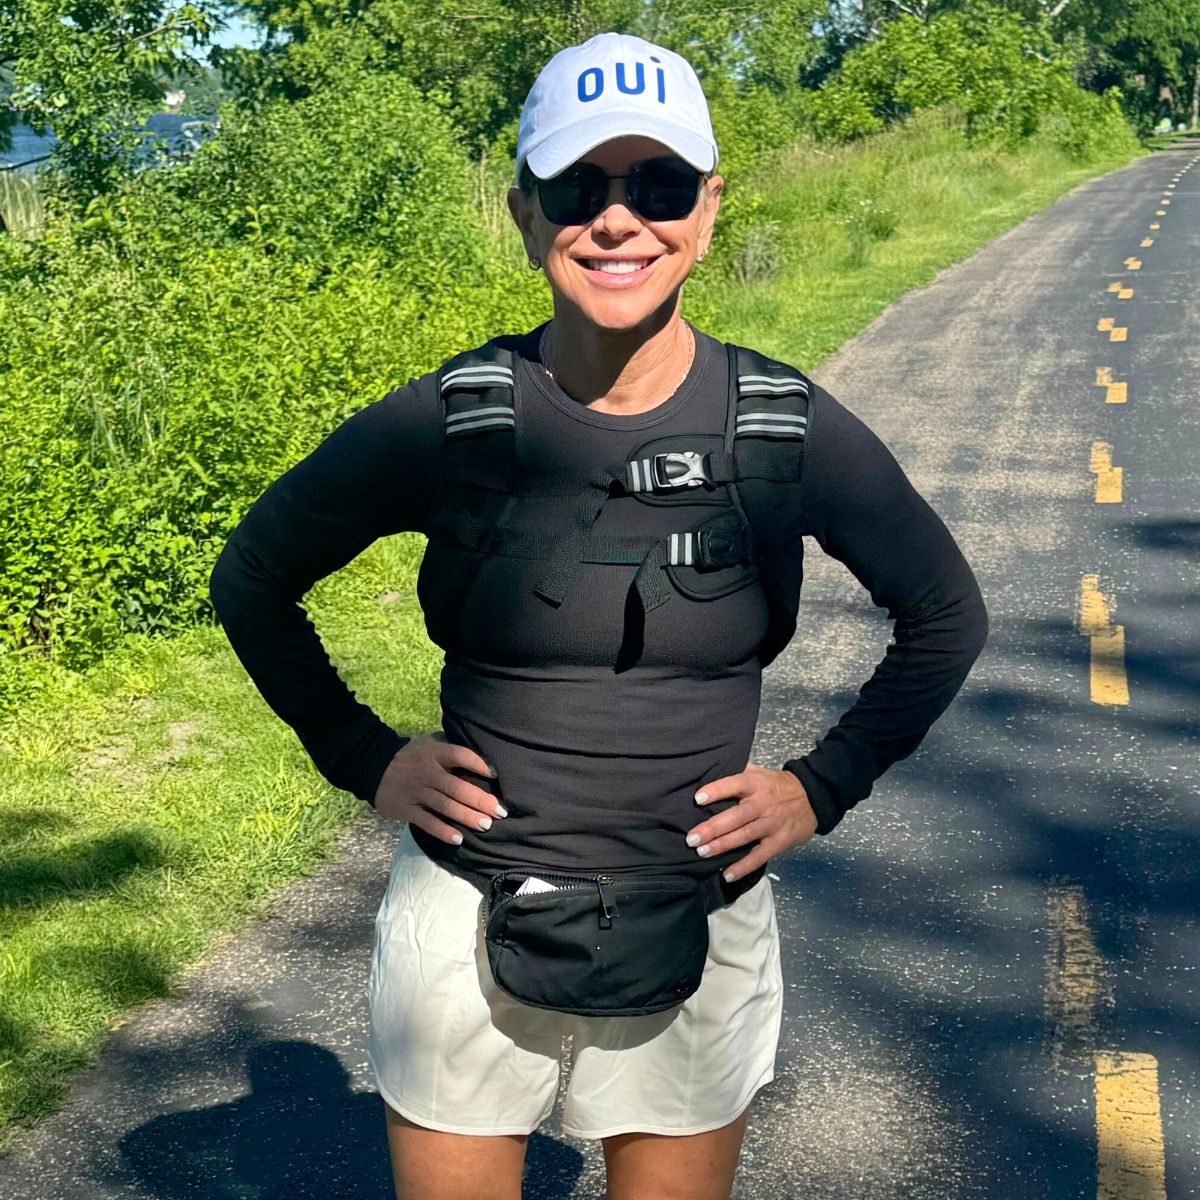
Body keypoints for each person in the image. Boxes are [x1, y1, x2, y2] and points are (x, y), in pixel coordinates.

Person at [207, 30, 989, 1200]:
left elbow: (945, 613)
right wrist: (363, 757)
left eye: (658, 186)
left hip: (699, 917)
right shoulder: (452, 420)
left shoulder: (781, 424)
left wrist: (822, 785)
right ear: (526, 215)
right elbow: (253, 576)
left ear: (709, 208)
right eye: (580, 188)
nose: (618, 221)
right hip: (465, 921)